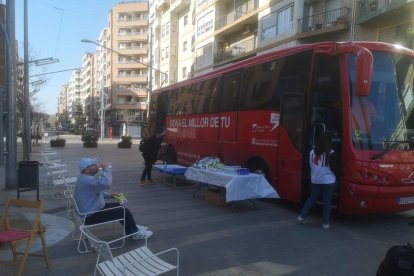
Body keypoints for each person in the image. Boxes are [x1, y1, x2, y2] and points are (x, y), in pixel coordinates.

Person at [75, 157, 153, 240]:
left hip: (90, 210)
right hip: (89, 216)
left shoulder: (83, 178)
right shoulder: (88, 180)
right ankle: (134, 234)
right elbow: (107, 183)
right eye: (93, 165)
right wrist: (106, 168)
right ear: (87, 170)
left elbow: (95, 191)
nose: (96, 166)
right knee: (123, 211)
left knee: (119, 206)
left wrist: (110, 195)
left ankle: (132, 226)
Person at [297, 133, 338, 229]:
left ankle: (301, 216)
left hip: (315, 180)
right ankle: (325, 223)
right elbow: (335, 168)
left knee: (312, 199)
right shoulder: (331, 152)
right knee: (327, 201)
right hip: (328, 181)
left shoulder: (312, 152)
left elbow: (310, 165)